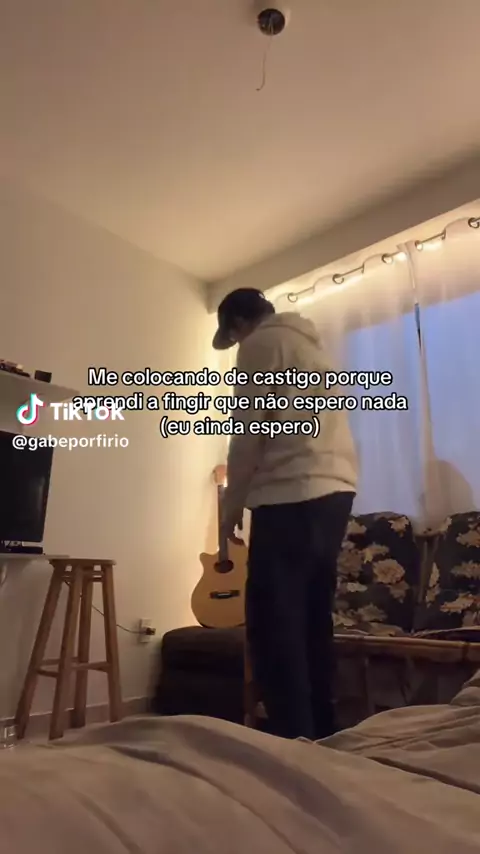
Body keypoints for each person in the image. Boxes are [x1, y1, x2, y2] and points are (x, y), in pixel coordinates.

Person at [212, 287, 358, 741]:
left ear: (239, 323)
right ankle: (323, 734)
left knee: (274, 623)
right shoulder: (313, 348)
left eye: (233, 336)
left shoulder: (261, 343)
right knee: (313, 618)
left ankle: (292, 739)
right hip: (335, 491)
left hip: (290, 493)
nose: (236, 344)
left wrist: (230, 509)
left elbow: (247, 433)